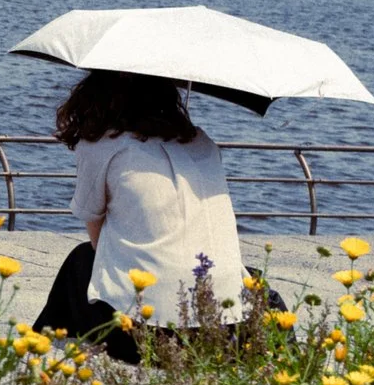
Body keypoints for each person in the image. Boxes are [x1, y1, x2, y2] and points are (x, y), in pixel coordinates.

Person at [34, 69, 248, 362]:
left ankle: (41, 351)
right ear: (167, 96)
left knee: (81, 262)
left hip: (141, 337)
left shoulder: (102, 145)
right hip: (227, 332)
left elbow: (98, 244)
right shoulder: (204, 143)